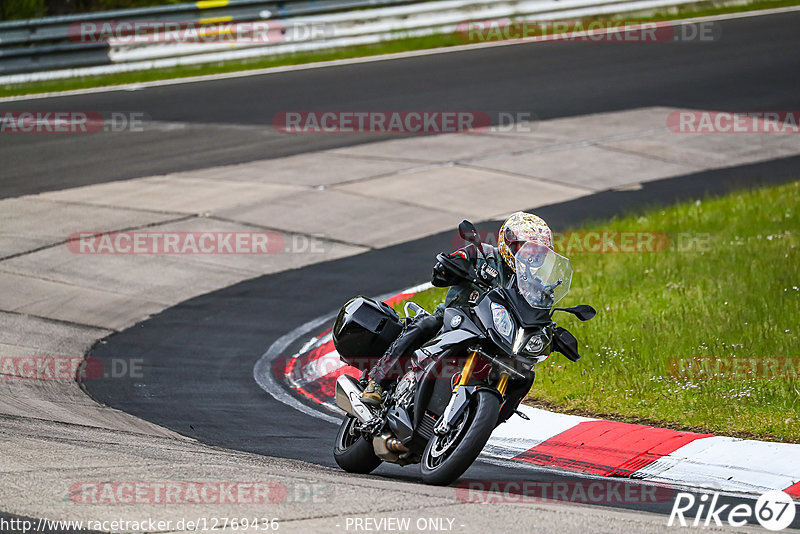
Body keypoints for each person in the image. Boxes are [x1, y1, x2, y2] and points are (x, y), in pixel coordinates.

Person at [361, 211, 554, 406]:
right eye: (527, 249)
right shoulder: (482, 253)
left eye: (539, 252)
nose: (532, 255)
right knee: (424, 325)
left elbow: (537, 312)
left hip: (491, 335)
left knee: (522, 371)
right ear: (509, 242)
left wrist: (549, 329)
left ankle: (490, 411)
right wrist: (449, 266)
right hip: (455, 317)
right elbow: (447, 268)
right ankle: (377, 382)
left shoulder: (533, 284)